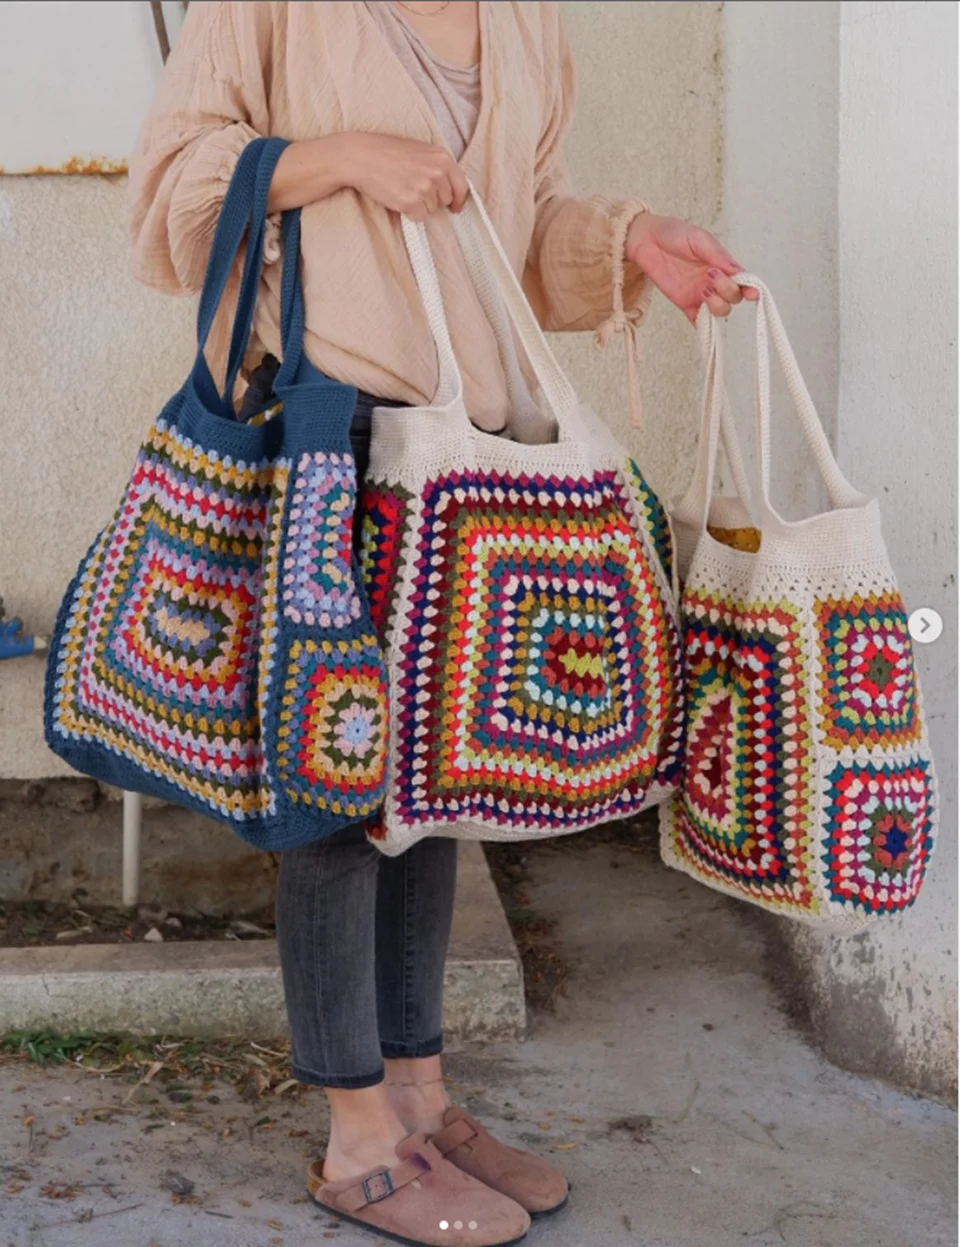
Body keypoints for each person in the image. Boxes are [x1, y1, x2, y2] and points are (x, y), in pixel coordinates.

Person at [129, 4, 753, 1244]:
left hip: (463, 461)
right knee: (337, 785)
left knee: (427, 784)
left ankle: (418, 1096)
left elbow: (516, 227)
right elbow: (174, 195)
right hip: (328, 434)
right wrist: (344, 154)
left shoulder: (521, 13)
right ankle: (354, 1133)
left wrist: (636, 243)